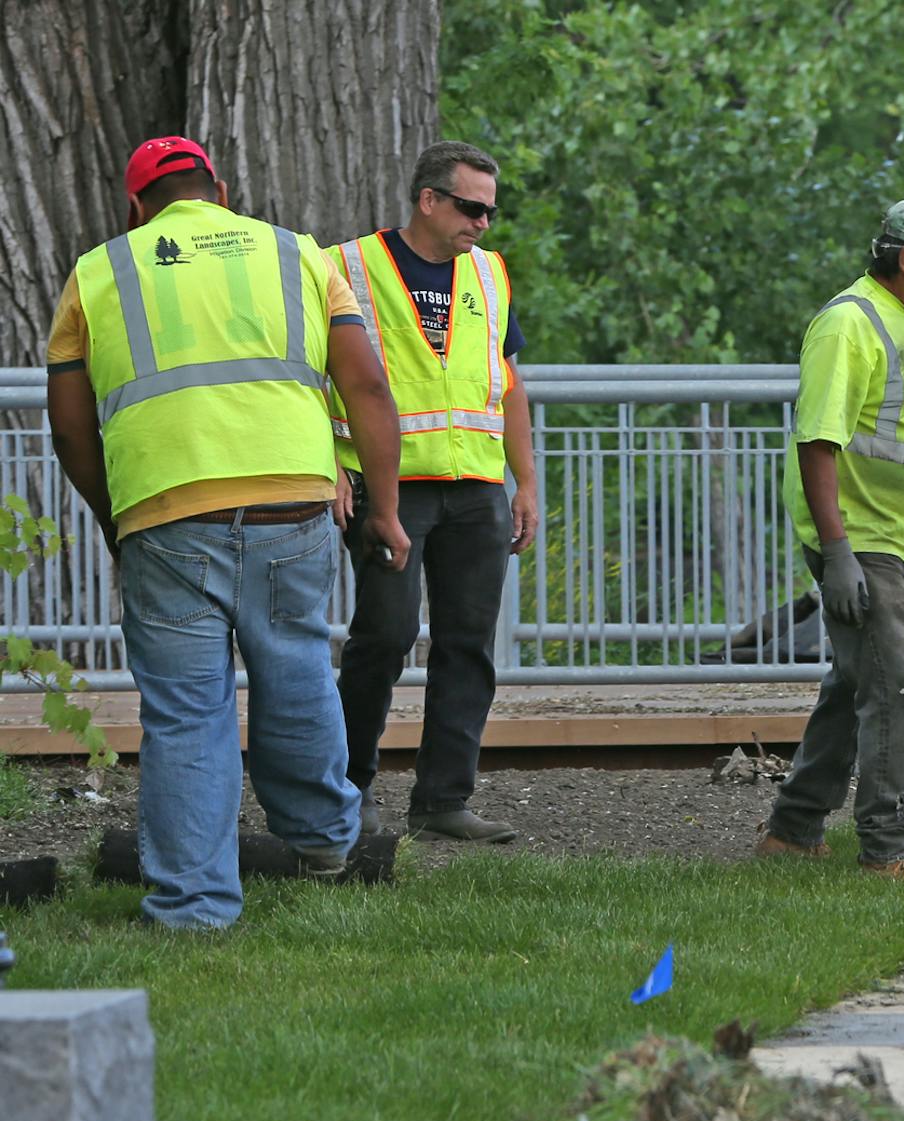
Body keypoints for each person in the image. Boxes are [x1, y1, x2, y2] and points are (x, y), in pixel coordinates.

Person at [44, 135, 411, 930]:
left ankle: (194, 904)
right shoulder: (302, 257)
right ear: (219, 187)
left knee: (185, 712)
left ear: (137, 204)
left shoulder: (101, 270)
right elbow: (368, 386)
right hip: (292, 504)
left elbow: (71, 428)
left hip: (166, 513)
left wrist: (119, 518)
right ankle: (322, 841)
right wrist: (382, 505)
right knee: (298, 669)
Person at [752, 196, 904, 881]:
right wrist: (837, 552)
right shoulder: (847, 326)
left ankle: (794, 828)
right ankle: (889, 846)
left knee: (859, 679)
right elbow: (817, 442)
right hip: (858, 538)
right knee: (902, 695)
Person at [328, 141, 538, 843]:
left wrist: (526, 480)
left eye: (490, 211)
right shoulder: (347, 266)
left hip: (477, 486)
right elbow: (313, 380)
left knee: (468, 644)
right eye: (471, 207)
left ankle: (444, 798)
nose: (483, 223)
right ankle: (348, 789)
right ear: (428, 200)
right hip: (390, 485)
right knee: (383, 637)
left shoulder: (492, 273)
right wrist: (330, 464)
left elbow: (508, 386)